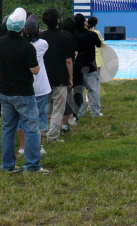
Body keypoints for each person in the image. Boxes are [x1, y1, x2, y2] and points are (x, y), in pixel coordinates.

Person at [0, 8, 48, 174]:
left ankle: (7, 165)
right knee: (31, 127)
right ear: (23, 28)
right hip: (25, 93)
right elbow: (35, 70)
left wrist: (1, 83)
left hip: (5, 92)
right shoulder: (27, 47)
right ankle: (32, 165)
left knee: (8, 128)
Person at [19, 15, 51, 158]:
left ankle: (22, 147)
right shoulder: (43, 44)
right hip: (41, 86)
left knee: (22, 117)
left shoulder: (20, 45)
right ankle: (39, 146)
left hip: (24, 85)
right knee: (41, 117)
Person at [42, 9, 75, 142]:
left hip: (44, 77)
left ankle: (41, 132)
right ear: (57, 20)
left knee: (43, 107)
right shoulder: (64, 37)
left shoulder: (40, 36)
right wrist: (71, 77)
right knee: (58, 108)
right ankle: (53, 136)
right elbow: (68, 60)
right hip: (60, 77)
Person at [74, 14, 102, 118]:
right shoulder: (92, 35)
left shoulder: (73, 35)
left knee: (78, 91)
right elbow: (99, 44)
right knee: (93, 90)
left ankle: (80, 112)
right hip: (90, 65)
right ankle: (95, 112)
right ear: (84, 23)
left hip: (77, 67)